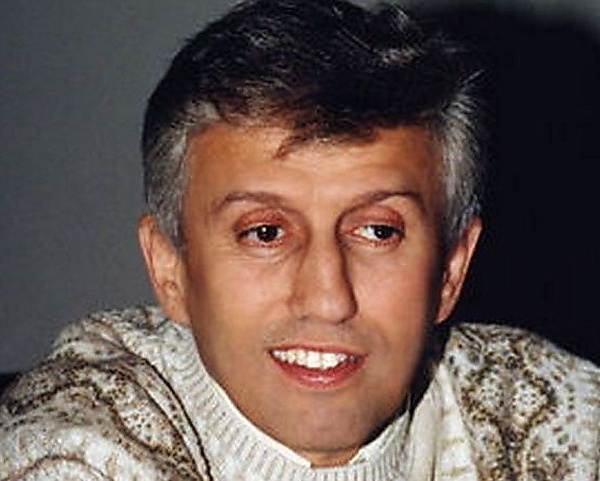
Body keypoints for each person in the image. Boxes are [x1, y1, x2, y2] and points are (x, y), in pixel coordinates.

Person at [1, 0, 598, 479]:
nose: (327, 299)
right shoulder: (74, 444)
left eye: (378, 231)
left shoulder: (548, 416)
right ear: (170, 268)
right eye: (265, 233)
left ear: (451, 269)